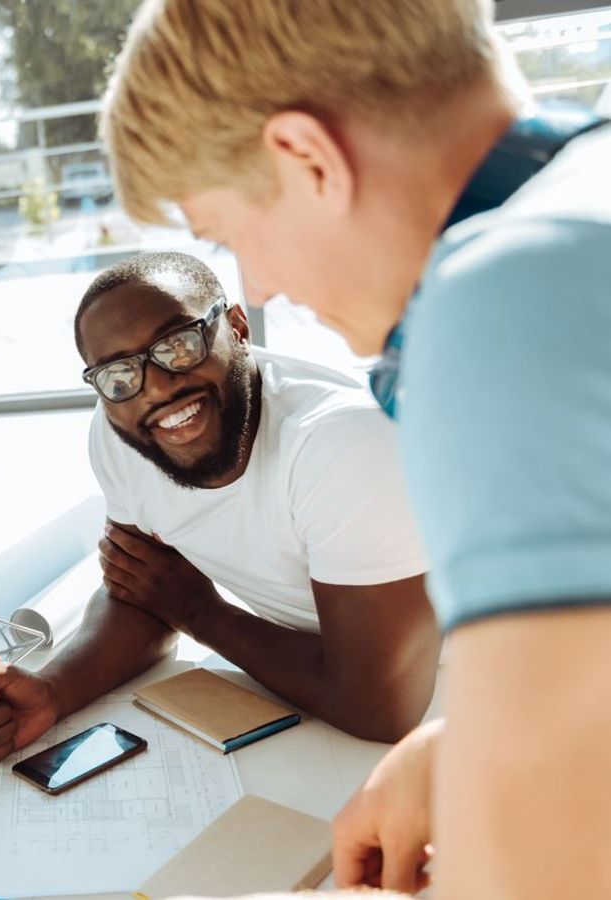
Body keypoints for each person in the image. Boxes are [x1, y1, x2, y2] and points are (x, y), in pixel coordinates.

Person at [100, 0, 611, 896]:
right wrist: (471, 745)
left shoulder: (501, 300)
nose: (260, 287)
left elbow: (546, 863)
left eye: (232, 237)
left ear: (306, 158)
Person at [0, 252, 436, 761]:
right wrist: (53, 692)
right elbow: (143, 592)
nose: (158, 388)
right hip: (317, 701)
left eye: (179, 345)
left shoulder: (340, 444)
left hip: (458, 707)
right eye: (119, 375)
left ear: (237, 325)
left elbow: (383, 706)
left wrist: (200, 613)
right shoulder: (125, 431)